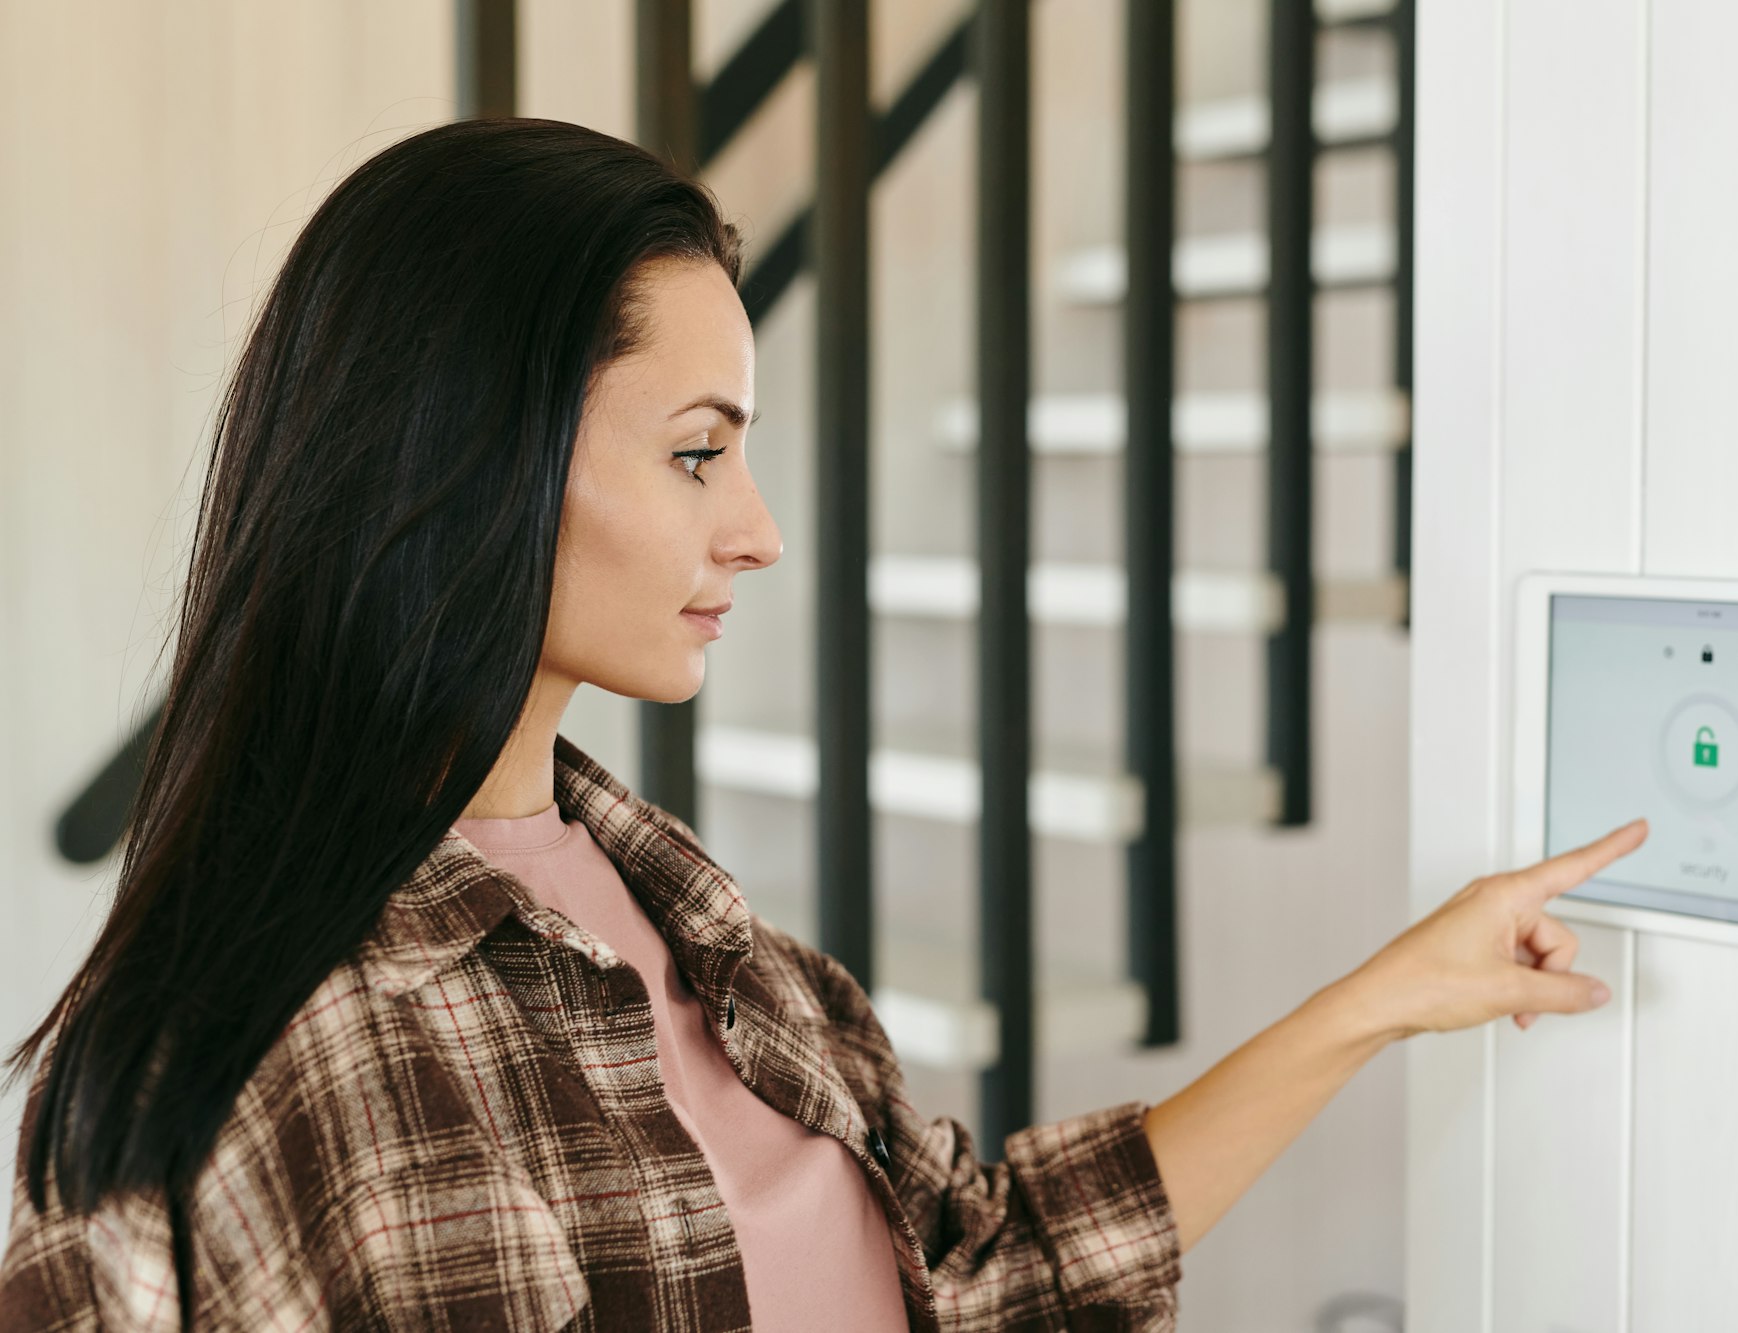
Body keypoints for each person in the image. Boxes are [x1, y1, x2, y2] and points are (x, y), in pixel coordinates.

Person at [0, 117, 1647, 1331]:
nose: (758, 529)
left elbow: (980, 1266)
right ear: (477, 454)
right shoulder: (238, 1064)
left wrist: (1383, 997)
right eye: (700, 451)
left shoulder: (684, 918)